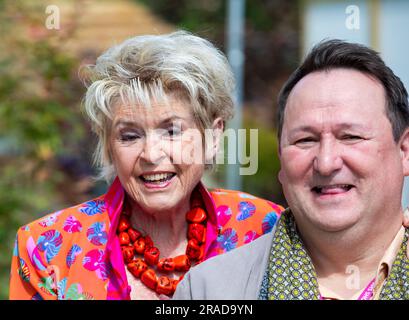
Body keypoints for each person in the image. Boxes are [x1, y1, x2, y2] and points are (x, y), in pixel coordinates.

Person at [9, 31, 283, 300]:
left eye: (172, 131)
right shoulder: (46, 248)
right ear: (108, 146)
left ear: (212, 137)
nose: (151, 154)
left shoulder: (266, 229)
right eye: (129, 136)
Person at [173, 39, 409, 300]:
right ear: (281, 161)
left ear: (405, 151)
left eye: (350, 136)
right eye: (305, 140)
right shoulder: (209, 291)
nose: (326, 162)